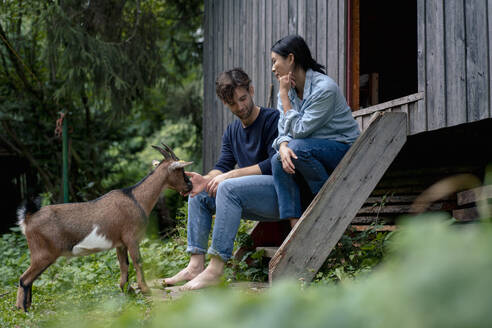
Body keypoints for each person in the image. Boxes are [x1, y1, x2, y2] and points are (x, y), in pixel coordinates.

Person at [163, 68, 280, 290]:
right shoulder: (232, 131)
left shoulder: (272, 119)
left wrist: (230, 176)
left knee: (227, 187)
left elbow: (272, 164)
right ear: (225, 103)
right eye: (233, 103)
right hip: (251, 198)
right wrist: (205, 180)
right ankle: (195, 266)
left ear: (251, 91)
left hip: (279, 195)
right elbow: (222, 167)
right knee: (200, 194)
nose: (241, 106)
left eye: (243, 98)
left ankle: (215, 270)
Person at [270, 35, 360, 227]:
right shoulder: (287, 90)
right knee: (278, 159)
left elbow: (300, 130)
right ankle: (295, 227)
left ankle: (329, 208)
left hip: (343, 149)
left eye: (274, 61)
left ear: (291, 59)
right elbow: (282, 132)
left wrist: (284, 97)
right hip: (310, 149)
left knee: (298, 149)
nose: (273, 68)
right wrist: (284, 146)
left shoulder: (324, 89)